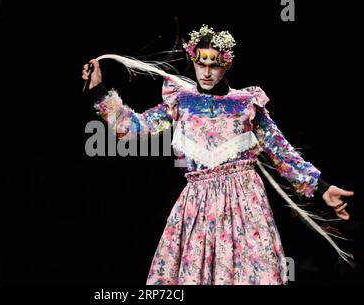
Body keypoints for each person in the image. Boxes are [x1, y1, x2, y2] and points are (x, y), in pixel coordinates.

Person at [82, 25, 355, 285]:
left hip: (245, 204)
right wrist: (98, 90)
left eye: (215, 65)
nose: (207, 73)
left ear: (227, 65)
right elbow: (132, 128)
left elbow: (279, 150)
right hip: (198, 206)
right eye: (202, 64)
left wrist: (321, 188)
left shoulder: (246, 104)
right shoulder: (181, 102)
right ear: (194, 61)